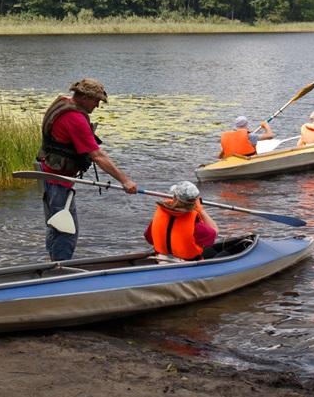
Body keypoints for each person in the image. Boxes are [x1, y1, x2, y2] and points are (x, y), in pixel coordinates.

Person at [37, 78, 138, 261]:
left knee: (56, 225)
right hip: (57, 180)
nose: (97, 106)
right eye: (96, 101)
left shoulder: (63, 103)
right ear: (84, 97)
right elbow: (98, 156)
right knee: (67, 232)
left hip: (48, 174)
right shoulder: (74, 118)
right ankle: (61, 271)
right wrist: (125, 181)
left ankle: (53, 265)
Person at [143, 181, 219, 261]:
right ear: (194, 203)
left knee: (209, 251)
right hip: (188, 267)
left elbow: (150, 239)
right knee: (216, 252)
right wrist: (200, 210)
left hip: (162, 262)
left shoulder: (160, 215)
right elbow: (215, 231)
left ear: (175, 197)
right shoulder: (195, 225)